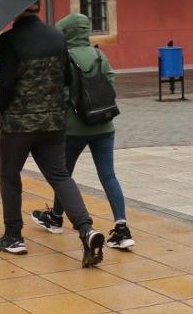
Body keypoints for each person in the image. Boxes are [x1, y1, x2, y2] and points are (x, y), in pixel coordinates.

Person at [0, 0, 106, 268]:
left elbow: (6, 85)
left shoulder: (9, 40)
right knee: (59, 175)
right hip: (54, 122)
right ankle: (86, 230)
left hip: (18, 125)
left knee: (10, 176)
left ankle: (13, 237)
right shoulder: (57, 37)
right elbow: (67, 77)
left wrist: (0, 107)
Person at [31, 13, 134, 249]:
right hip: (104, 125)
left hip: (74, 129)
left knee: (63, 175)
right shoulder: (99, 54)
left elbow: (59, 94)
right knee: (108, 175)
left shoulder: (64, 57)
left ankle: (56, 219)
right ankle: (122, 228)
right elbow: (110, 82)